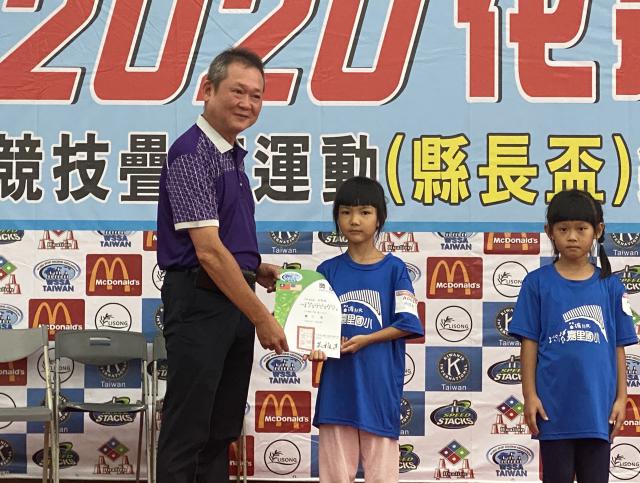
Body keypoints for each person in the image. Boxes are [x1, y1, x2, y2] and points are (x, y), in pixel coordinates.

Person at [155, 47, 288, 483]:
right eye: (237, 91)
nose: (247, 103)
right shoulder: (192, 154)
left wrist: (255, 269)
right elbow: (209, 252)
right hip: (201, 302)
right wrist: (262, 317)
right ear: (208, 89)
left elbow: (223, 241)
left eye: (256, 95)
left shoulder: (230, 156)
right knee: (189, 429)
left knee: (221, 428)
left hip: (232, 300)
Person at [508, 189, 637, 483]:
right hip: (552, 410)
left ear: (598, 231)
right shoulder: (536, 283)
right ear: (549, 232)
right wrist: (530, 396)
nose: (572, 237)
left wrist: (622, 398)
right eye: (563, 229)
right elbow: (529, 343)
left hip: (598, 411)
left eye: (581, 228)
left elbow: (618, 346)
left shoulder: (611, 286)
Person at [307, 176, 424, 483]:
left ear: (379, 218)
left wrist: (367, 340)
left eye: (364, 212)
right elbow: (314, 327)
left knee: (382, 476)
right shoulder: (326, 271)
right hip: (337, 390)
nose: (354, 220)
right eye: (345, 212)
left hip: (379, 389)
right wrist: (314, 345)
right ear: (336, 218)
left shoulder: (395, 269)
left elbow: (409, 323)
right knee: (334, 476)